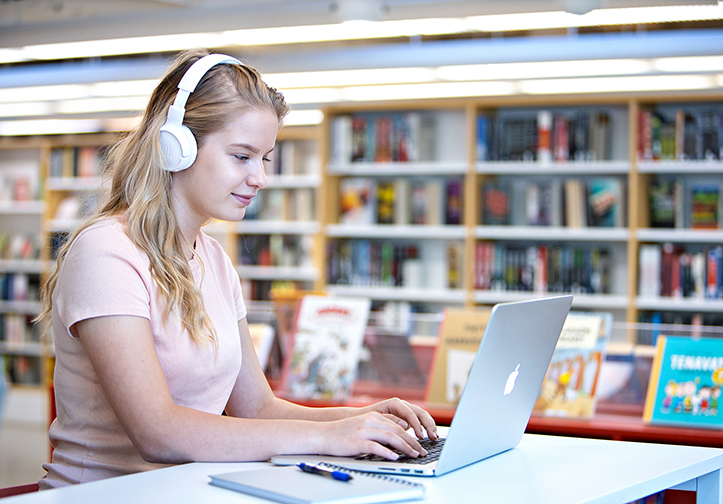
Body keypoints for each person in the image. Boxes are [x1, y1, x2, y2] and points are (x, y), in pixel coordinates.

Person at [37, 48, 437, 489]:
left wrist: (361, 417)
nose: (260, 178)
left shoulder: (213, 259)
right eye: (242, 156)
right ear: (177, 147)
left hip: (187, 493)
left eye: (264, 159)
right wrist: (327, 435)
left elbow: (258, 409)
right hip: (103, 497)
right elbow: (158, 431)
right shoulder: (106, 252)